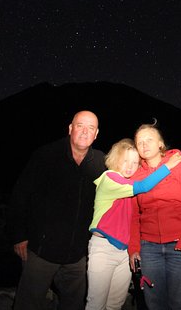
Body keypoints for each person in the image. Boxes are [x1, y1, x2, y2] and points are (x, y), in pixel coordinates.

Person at [6, 110, 106, 310]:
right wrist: (19, 235)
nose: (85, 132)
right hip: (41, 251)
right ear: (70, 129)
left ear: (96, 134)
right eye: (80, 126)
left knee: (73, 304)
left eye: (91, 128)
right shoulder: (45, 156)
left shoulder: (102, 162)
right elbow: (20, 196)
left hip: (78, 255)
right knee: (28, 303)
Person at [86, 138, 181, 310]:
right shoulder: (110, 178)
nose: (130, 166)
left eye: (134, 162)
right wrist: (168, 166)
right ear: (115, 159)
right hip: (103, 249)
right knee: (96, 304)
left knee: (115, 304)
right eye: (125, 161)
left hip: (123, 252)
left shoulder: (128, 184)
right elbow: (144, 186)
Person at [128, 121, 181, 310]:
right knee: (154, 303)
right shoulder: (136, 175)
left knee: (178, 303)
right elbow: (134, 215)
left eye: (149, 140)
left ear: (160, 143)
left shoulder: (178, 165)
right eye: (139, 142)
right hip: (149, 249)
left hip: (180, 247)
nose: (144, 144)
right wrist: (134, 248)